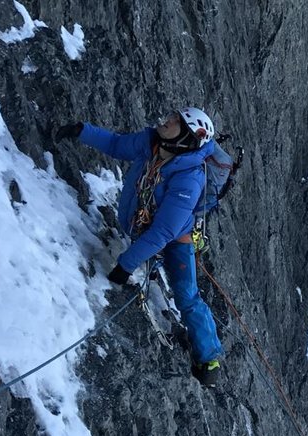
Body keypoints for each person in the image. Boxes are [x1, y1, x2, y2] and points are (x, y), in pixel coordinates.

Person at [56, 107, 224, 388]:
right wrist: (81, 130)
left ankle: (209, 359)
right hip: (145, 228)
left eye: (176, 121)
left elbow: (164, 232)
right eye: (172, 115)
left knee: (186, 296)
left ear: (187, 137)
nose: (167, 120)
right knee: (169, 274)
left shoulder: (189, 178)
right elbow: (115, 144)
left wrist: (125, 265)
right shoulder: (151, 143)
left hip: (176, 238)